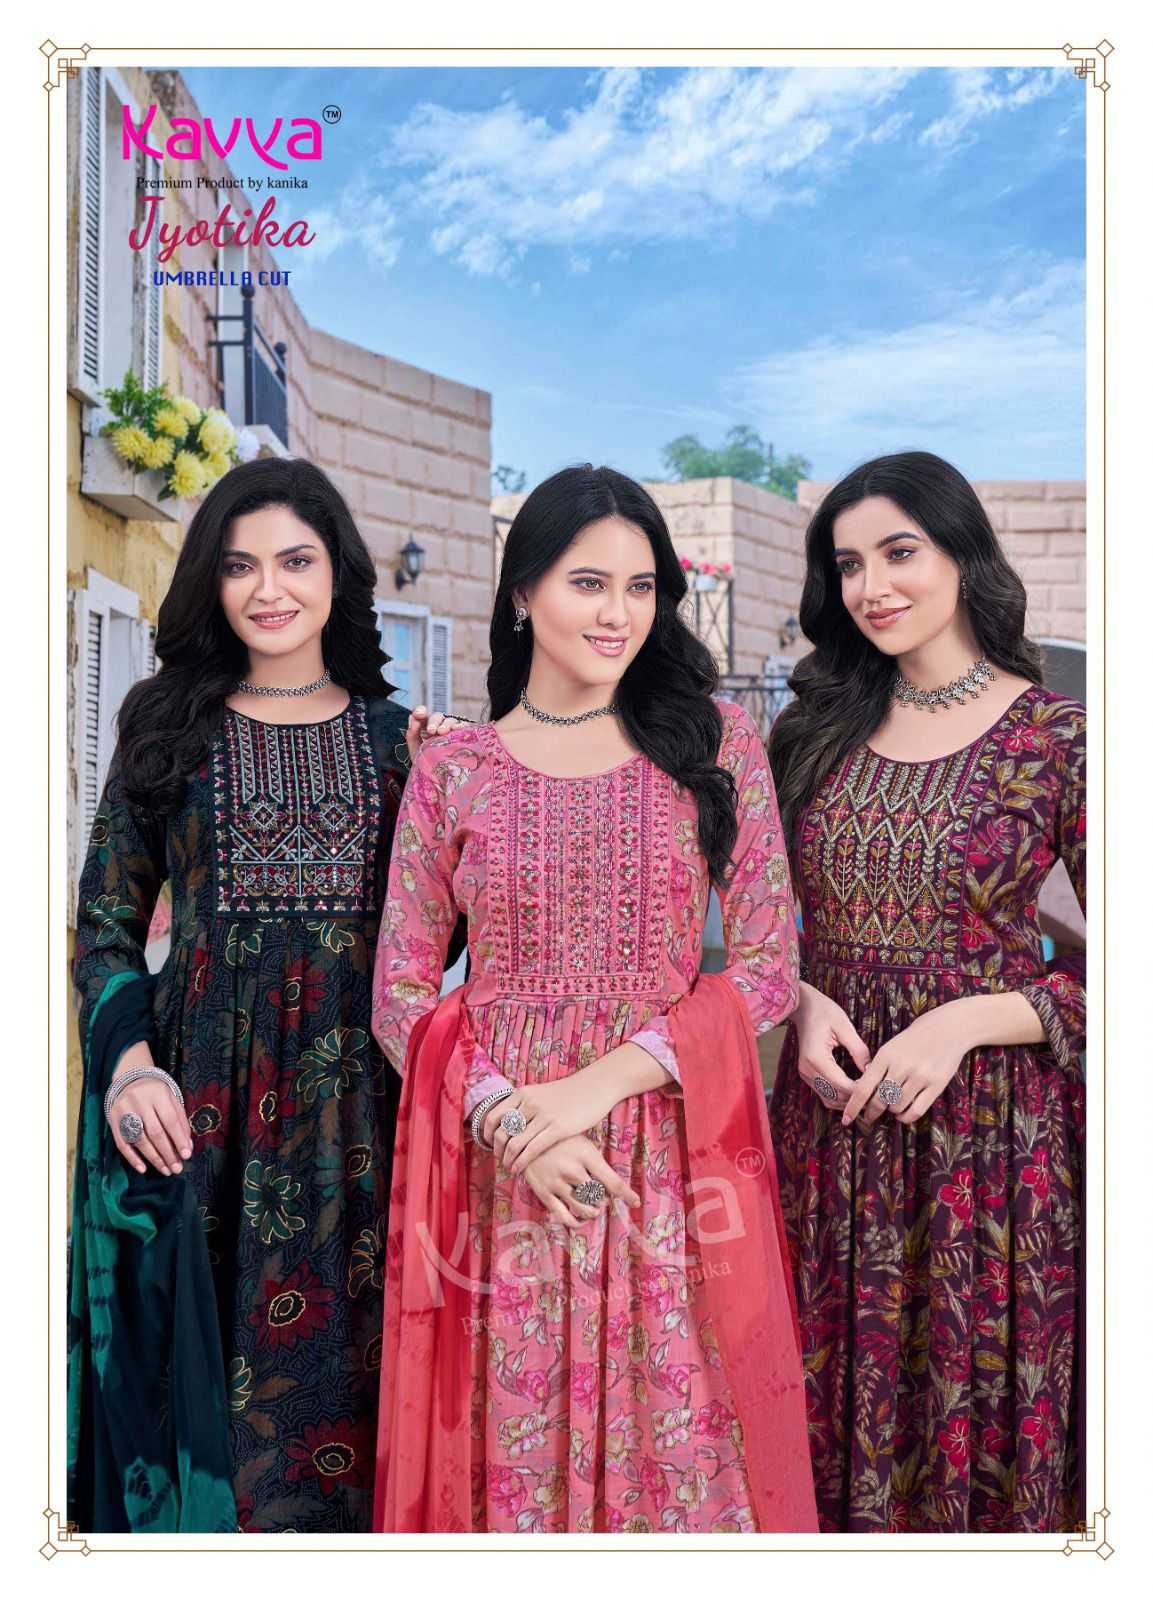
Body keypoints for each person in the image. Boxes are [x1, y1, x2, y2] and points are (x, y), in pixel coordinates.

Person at [370, 465, 816, 1535]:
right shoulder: (454, 768)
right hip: (503, 1168)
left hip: (668, 1163)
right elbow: (399, 992)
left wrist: (590, 1090)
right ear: (521, 592)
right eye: (588, 583)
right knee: (509, 1463)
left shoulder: (713, 743)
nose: (619, 613)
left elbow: (767, 964)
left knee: (684, 1460)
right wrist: (515, 1123)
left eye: (641, 585)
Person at [68, 457, 462, 1533]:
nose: (269, 588)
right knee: (192, 1423)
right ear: (211, 578)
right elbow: (104, 922)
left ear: (339, 573)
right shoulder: (165, 724)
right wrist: (129, 1069)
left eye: (296, 561)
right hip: (194, 1123)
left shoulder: (399, 745)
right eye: (240, 566)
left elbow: (445, 943)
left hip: (361, 1140)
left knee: (355, 1422)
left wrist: (454, 809)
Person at [767, 451, 1085, 1533]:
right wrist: (795, 995)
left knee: (968, 1418)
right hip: (827, 1130)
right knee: (817, 1415)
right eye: (848, 564)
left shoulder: (1056, 739)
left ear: (960, 552)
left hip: (989, 1154)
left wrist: (966, 1021)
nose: (872, 586)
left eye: (898, 552)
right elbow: (738, 913)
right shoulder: (810, 730)